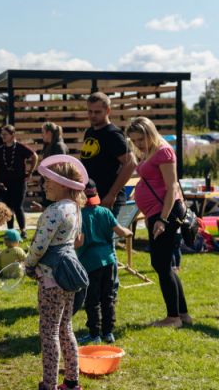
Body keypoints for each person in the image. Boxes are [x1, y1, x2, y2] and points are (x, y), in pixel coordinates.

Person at [24, 156, 88, 390]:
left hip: (51, 278)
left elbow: (40, 246)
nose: (44, 185)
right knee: (66, 328)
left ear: (62, 183)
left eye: (48, 181)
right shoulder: (74, 208)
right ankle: (72, 381)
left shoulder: (54, 211)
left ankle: (49, 384)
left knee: (49, 332)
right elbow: (77, 241)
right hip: (68, 274)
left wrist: (29, 265)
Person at [126, 117, 192, 328]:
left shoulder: (163, 151)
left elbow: (172, 187)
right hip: (157, 213)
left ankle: (173, 318)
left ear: (150, 133)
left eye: (140, 139)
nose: (138, 144)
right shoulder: (152, 151)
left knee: (161, 264)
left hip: (166, 213)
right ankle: (183, 314)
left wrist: (162, 220)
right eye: (134, 141)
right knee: (166, 265)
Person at [74, 180, 132, 344]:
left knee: (92, 300)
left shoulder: (79, 215)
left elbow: (79, 242)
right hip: (108, 261)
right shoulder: (105, 212)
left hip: (90, 262)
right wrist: (129, 232)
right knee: (107, 298)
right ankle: (108, 333)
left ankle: (94, 334)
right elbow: (121, 232)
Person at [80, 92, 136, 218]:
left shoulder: (113, 134)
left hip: (107, 201)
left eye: (97, 112)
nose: (93, 115)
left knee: (107, 238)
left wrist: (112, 195)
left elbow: (131, 163)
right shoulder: (89, 132)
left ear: (108, 111)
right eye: (90, 111)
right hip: (91, 198)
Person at [0, 125, 37, 239]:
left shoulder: (20, 147)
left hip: (19, 182)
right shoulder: (0, 150)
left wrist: (30, 171)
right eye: (1, 134)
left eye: (5, 134)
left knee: (17, 206)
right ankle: (10, 231)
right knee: (8, 208)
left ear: (13, 135)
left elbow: (34, 157)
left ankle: (23, 230)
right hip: (4, 183)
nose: (2, 137)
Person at [32, 122, 69, 212]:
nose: (41, 135)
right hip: (49, 185)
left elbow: (60, 168)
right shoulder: (49, 146)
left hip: (55, 186)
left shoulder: (59, 146)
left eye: (43, 132)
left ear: (49, 133)